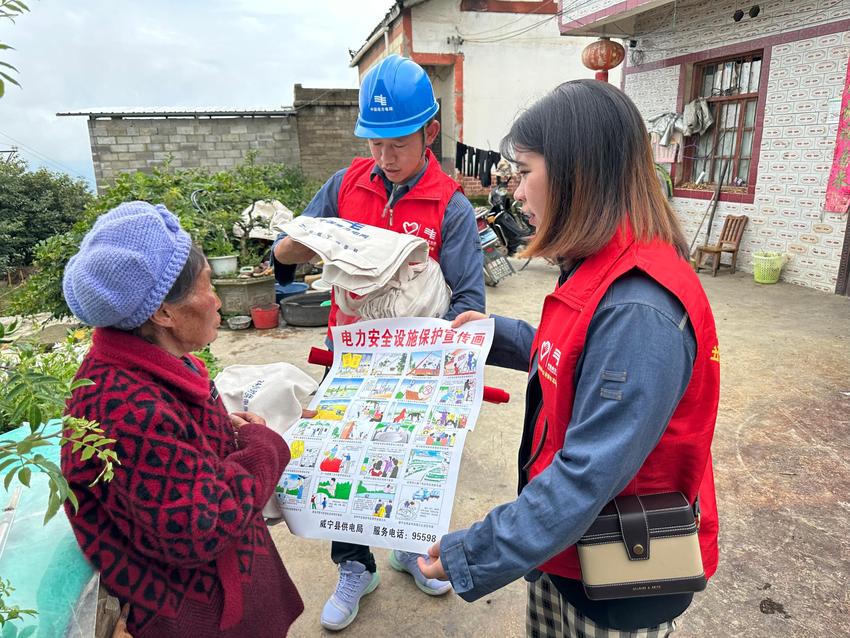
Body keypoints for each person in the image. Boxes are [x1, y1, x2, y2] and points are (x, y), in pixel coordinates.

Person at [418, 80, 721, 637]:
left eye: (525, 172)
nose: (516, 193)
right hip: (567, 550)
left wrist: (475, 552)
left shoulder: (640, 307)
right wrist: (498, 335)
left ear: (577, 174)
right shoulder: (597, 264)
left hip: (619, 573)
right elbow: (579, 362)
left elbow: (586, 476)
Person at [273, 53, 486, 632]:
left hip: (418, 367)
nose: (385, 158)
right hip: (350, 362)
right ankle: (355, 567)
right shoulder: (343, 186)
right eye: (375, 143)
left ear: (430, 133)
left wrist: (446, 348)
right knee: (340, 458)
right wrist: (288, 250)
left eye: (398, 143)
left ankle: (410, 548)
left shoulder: (452, 208)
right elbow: (286, 257)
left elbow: (469, 298)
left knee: (414, 464)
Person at [61, 201, 303, 638]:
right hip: (199, 612)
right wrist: (265, 448)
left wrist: (224, 430)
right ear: (164, 313)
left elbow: (176, 455)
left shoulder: (155, 362)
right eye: (207, 285)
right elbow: (200, 528)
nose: (216, 300)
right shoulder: (126, 410)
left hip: (228, 581)